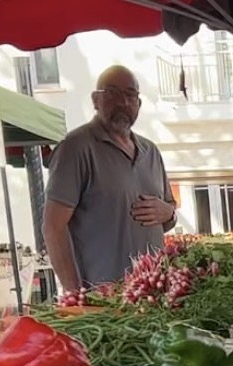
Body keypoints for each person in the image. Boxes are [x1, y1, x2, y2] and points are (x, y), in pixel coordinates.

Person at [43, 65, 176, 292]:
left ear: (138, 104)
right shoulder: (75, 149)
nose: (122, 102)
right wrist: (75, 294)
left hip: (155, 295)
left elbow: (168, 213)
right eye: (112, 93)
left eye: (130, 95)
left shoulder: (150, 151)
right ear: (96, 100)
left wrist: (169, 212)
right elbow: (52, 226)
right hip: (104, 301)